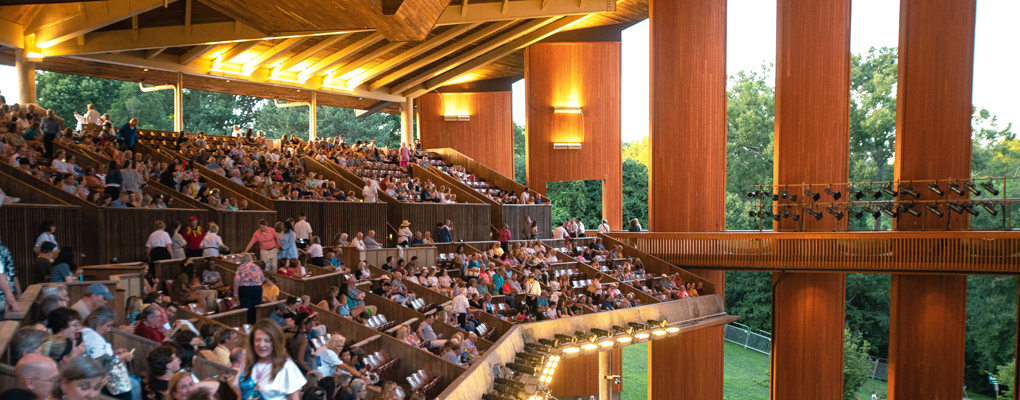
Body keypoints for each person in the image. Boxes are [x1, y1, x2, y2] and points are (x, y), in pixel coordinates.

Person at [233, 320, 307, 400]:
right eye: (258, 340)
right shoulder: (246, 362)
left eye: (267, 340)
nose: (261, 345)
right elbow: (240, 395)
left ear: (275, 342)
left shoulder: (286, 365)